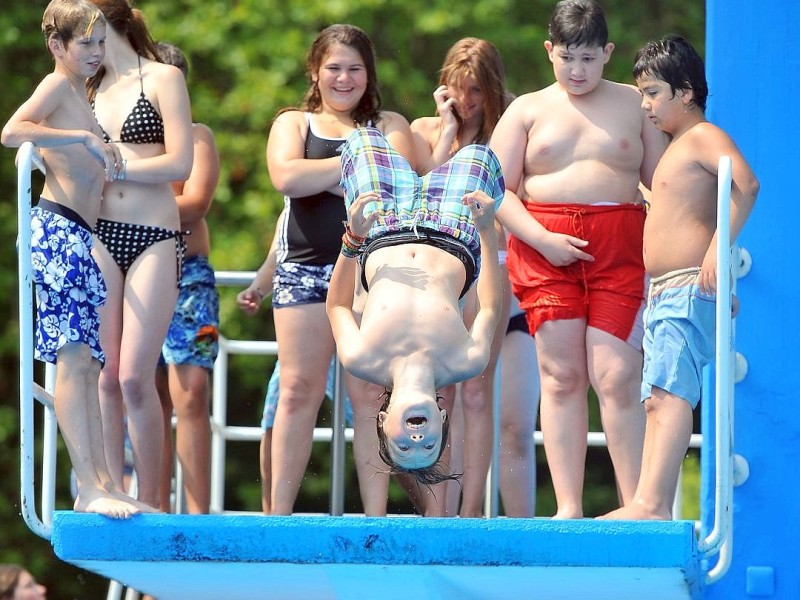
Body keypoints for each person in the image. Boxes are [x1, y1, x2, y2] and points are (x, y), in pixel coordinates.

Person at [490, 0, 668, 518]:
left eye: (589, 58)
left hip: (620, 248)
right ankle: (568, 505)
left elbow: (662, 182)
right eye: (567, 57)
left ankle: (637, 504)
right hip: (544, 248)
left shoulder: (636, 104)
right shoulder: (525, 109)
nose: (577, 70)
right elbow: (495, 190)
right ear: (550, 51)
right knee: (562, 375)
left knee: (615, 375)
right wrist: (543, 239)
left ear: (608, 53)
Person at [600, 35, 758, 520]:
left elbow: (746, 185)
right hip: (669, 291)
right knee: (656, 399)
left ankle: (648, 505)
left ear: (686, 91)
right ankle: (649, 503)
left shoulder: (703, 137)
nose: (645, 105)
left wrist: (718, 249)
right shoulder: (676, 147)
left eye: (653, 92)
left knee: (668, 395)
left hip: (690, 285)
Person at [1, 0, 146, 518]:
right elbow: (12, 131)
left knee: (87, 366)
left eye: (101, 41)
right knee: (73, 361)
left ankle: (100, 481)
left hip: (79, 236)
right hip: (57, 229)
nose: (96, 52)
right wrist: (82, 136)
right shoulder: (58, 86)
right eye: (86, 42)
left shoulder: (80, 94)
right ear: (57, 47)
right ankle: (88, 482)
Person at [263, 24, 415, 516]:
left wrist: (321, 176)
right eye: (334, 68)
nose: (344, 78)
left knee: (370, 395)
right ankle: (278, 519)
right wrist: (355, 165)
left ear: (369, 75)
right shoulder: (293, 122)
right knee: (297, 390)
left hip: (372, 276)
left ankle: (376, 519)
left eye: (354, 69)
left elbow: (396, 184)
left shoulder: (390, 124)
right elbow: (285, 176)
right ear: (315, 71)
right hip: (305, 270)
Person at [327, 126, 505, 485]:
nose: (417, 440)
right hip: (453, 228)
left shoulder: (362, 358)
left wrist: (353, 238)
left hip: (381, 228)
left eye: (403, 447)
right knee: (482, 156)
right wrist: (487, 231)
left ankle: (419, 146)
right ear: (442, 420)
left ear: (382, 420)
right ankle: (437, 139)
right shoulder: (464, 361)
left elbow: (337, 307)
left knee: (363, 139)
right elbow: (488, 308)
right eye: (428, 446)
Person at [410, 37, 540, 517]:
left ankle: (504, 523)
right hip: (447, 284)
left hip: (504, 281)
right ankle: (442, 514)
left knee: (511, 420)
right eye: (457, 90)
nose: (465, 102)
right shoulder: (426, 130)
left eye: (475, 93)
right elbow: (423, 194)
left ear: (492, 91)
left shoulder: (510, 131)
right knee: (448, 401)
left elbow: (515, 202)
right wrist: (446, 131)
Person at [87, 0, 194, 509]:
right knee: (105, 376)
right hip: (99, 231)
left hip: (154, 234)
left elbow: (180, 162)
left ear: (108, 24)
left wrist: (115, 163)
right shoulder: (84, 86)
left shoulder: (163, 78)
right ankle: (110, 490)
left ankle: (153, 500)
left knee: (134, 376)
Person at [236, 213, 354, 515]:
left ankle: (425, 509)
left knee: (381, 420)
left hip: (349, 315)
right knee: (277, 416)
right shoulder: (297, 209)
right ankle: (273, 515)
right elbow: (281, 244)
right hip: (305, 322)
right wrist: (259, 288)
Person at [152, 41, 220, 515]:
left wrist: (131, 210)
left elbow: (195, 204)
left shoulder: (196, 137)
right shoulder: (122, 140)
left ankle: (197, 518)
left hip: (187, 276)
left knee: (191, 393)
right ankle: (153, 510)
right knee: (145, 393)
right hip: (134, 272)